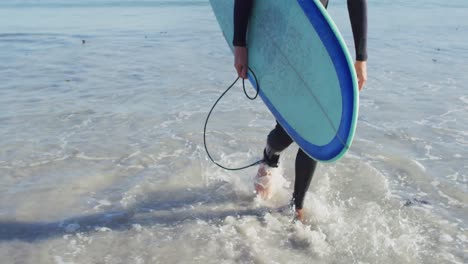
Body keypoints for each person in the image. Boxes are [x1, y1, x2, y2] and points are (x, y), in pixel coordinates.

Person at [233, 0, 368, 222]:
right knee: (285, 132)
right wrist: (240, 44)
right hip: (277, 41)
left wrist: (361, 58)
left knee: (316, 123)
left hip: (314, 45)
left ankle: (297, 206)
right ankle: (270, 155)